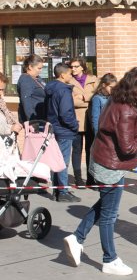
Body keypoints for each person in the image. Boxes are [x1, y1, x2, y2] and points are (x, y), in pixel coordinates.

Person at [63, 68, 137, 276]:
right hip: (111, 165)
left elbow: (121, 133)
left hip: (103, 158)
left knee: (104, 204)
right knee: (109, 215)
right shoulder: (127, 110)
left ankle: (77, 237)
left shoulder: (115, 100)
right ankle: (109, 259)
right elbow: (128, 147)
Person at [45, 63, 81, 202]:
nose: (71, 76)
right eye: (69, 74)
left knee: (56, 160)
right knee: (63, 162)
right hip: (64, 130)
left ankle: (57, 190)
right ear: (62, 74)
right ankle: (63, 191)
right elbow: (66, 113)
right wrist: (74, 126)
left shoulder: (50, 88)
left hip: (54, 128)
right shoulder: (63, 90)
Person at [68, 57, 98, 187]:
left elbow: (97, 94)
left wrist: (83, 96)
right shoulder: (69, 81)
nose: (73, 69)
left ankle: (91, 179)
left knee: (90, 149)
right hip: (77, 120)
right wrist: (87, 99)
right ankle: (78, 179)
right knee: (77, 150)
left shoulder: (93, 79)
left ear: (82, 67)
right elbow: (70, 101)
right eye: (72, 66)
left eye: (76, 66)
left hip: (91, 118)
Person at [17, 54, 46, 123]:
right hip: (34, 118)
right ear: (30, 67)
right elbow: (26, 101)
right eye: (39, 68)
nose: (40, 71)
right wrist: (32, 121)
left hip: (42, 115)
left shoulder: (37, 78)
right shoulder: (26, 79)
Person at [0, 72, 23, 138]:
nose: (2, 94)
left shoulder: (1, 103)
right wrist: (10, 128)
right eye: (0, 90)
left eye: (3, 90)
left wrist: (15, 123)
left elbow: (7, 115)